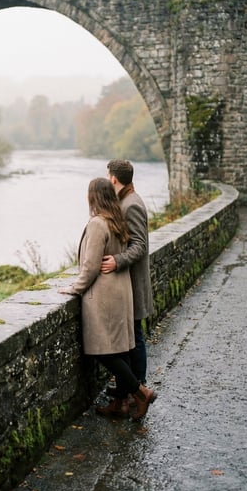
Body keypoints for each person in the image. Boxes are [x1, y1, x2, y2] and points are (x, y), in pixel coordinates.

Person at [58, 177, 156, 420]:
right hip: (121, 290)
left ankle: (140, 392)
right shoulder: (117, 220)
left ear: (94, 197)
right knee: (120, 349)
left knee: (103, 350)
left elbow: (91, 267)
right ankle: (121, 404)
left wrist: (75, 288)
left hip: (104, 295)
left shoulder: (97, 224)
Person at [101, 159, 154, 388]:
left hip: (133, 283)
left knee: (136, 338)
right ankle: (130, 390)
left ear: (113, 178)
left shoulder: (131, 204)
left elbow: (140, 246)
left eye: (107, 176)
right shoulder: (126, 200)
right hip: (128, 284)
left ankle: (139, 388)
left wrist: (117, 261)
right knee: (131, 336)